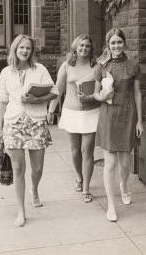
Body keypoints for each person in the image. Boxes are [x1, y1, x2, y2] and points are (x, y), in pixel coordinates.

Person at [0, 34, 58, 227]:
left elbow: (54, 92)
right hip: (13, 123)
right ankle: (21, 211)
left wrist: (37, 100)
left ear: (32, 51)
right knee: (18, 169)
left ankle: (35, 189)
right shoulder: (6, 73)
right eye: (21, 48)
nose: (24, 51)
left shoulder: (39, 69)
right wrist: (0, 129)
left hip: (36, 122)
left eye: (28, 48)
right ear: (15, 49)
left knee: (37, 168)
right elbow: (3, 102)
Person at [94, 28, 143, 222]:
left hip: (128, 115)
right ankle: (111, 206)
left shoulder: (133, 66)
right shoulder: (101, 66)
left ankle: (124, 184)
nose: (116, 46)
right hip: (108, 115)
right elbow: (96, 94)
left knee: (124, 163)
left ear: (124, 43)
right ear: (108, 45)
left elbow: (137, 93)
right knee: (110, 163)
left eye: (119, 42)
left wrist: (140, 120)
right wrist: (102, 96)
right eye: (112, 43)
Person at [47, 34, 100, 203]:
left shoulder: (96, 66)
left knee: (87, 151)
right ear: (75, 47)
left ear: (91, 49)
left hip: (91, 112)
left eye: (87, 46)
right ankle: (79, 177)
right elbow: (58, 89)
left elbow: (103, 88)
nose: (84, 48)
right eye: (81, 45)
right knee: (75, 150)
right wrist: (51, 110)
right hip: (71, 112)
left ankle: (86, 188)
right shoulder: (67, 65)